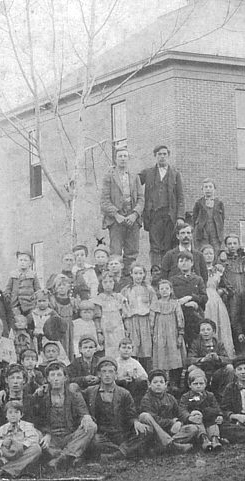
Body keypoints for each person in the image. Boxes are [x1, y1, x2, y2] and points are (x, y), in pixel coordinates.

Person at [32, 361, 97, 471]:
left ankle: (62, 457)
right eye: (52, 375)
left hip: (69, 436)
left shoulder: (73, 394)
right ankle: (70, 456)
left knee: (91, 426)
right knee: (34, 434)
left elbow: (83, 411)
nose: (56, 379)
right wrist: (47, 433)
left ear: (65, 378)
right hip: (50, 438)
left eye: (59, 375)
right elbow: (36, 419)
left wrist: (86, 416)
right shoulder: (42, 396)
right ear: (47, 378)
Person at [82, 357, 149, 459]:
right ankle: (124, 451)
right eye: (104, 372)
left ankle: (116, 454)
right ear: (99, 374)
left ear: (116, 374)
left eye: (110, 371)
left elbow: (131, 414)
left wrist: (136, 422)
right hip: (101, 435)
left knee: (146, 431)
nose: (107, 375)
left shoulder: (124, 393)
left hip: (121, 433)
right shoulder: (90, 392)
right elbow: (78, 402)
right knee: (94, 441)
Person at [101, 146, 145, 274]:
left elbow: (141, 198)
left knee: (132, 253)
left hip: (132, 219)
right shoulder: (109, 177)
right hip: (116, 221)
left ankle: (130, 278)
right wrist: (116, 215)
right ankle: (116, 280)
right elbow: (104, 201)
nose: (123, 159)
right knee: (115, 252)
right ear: (115, 159)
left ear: (128, 158)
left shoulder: (134, 177)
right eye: (120, 156)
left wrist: (135, 214)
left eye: (125, 156)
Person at [139, 144, 186, 267]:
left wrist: (180, 217)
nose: (162, 157)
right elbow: (133, 182)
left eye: (164, 154)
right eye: (159, 154)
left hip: (170, 216)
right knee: (155, 247)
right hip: (154, 216)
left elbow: (181, 197)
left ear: (168, 156)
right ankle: (156, 274)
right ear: (155, 156)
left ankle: (168, 274)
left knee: (169, 246)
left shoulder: (175, 174)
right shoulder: (148, 173)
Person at [134, 370, 196, 455]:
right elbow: (155, 419)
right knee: (144, 416)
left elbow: (178, 413)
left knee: (193, 428)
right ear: (149, 384)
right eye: (155, 382)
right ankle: (171, 445)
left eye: (161, 382)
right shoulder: (146, 400)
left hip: (170, 431)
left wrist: (178, 422)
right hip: (155, 432)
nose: (158, 384)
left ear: (166, 385)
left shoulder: (170, 398)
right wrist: (172, 422)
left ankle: (163, 446)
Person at [0, 400, 42, 479]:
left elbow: (34, 438)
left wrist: (21, 445)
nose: (13, 415)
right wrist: (2, 442)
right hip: (7, 453)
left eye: (16, 412)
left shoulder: (27, 426)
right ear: (6, 416)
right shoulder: (4, 428)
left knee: (36, 449)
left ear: (21, 415)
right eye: (10, 413)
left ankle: (6, 470)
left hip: (21, 453)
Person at [149, 279, 185, 387]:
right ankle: (162, 381)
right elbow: (151, 321)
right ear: (158, 291)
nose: (164, 291)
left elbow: (180, 319)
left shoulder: (175, 304)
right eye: (162, 289)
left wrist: (180, 335)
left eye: (167, 288)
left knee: (174, 357)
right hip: (159, 334)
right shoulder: (155, 304)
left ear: (171, 290)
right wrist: (152, 335)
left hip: (172, 334)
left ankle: (174, 383)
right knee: (161, 357)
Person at [201, 247, 236, 358]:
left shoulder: (219, 270)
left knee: (220, 325)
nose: (208, 256)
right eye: (206, 253)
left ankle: (223, 354)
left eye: (211, 253)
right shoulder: (198, 270)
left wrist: (222, 290)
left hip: (216, 300)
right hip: (204, 299)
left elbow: (229, 287)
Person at [179, 369, 225, 451]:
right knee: (198, 421)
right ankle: (204, 440)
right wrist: (189, 417)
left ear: (205, 384)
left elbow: (216, 407)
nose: (198, 386)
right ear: (190, 385)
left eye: (201, 383)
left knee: (213, 424)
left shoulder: (210, 395)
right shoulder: (186, 397)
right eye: (195, 384)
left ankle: (215, 439)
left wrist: (219, 415)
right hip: (195, 421)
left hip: (208, 419)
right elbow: (182, 410)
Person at [121, 264, 156, 370]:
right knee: (134, 346)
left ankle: (146, 373)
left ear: (144, 274)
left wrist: (152, 322)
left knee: (146, 348)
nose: (138, 276)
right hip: (132, 320)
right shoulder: (126, 290)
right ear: (131, 274)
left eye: (140, 273)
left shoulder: (149, 289)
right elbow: (124, 307)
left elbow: (154, 306)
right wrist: (126, 322)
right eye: (135, 273)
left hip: (145, 320)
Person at [169, 252, 208, 347]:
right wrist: (182, 303)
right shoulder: (173, 280)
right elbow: (170, 298)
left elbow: (204, 297)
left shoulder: (198, 279)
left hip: (195, 316)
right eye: (181, 261)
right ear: (178, 264)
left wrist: (192, 298)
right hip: (179, 316)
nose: (184, 263)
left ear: (192, 263)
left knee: (194, 343)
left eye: (187, 261)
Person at [187, 319, 231, 389]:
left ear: (213, 331)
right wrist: (203, 359)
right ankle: (199, 391)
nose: (205, 332)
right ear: (199, 332)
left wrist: (218, 358)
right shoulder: (196, 343)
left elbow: (227, 359)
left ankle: (223, 392)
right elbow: (190, 359)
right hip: (202, 371)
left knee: (229, 368)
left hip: (216, 372)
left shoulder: (218, 343)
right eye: (203, 330)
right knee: (192, 368)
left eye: (208, 329)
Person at [92, 275, 126, 359]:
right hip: (105, 330)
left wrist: (126, 328)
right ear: (101, 284)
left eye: (111, 282)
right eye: (105, 282)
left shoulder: (118, 297)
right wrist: (99, 332)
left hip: (118, 329)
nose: (108, 284)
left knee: (119, 348)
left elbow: (124, 315)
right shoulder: (99, 299)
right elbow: (97, 318)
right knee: (108, 352)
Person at [192, 178, 226, 253]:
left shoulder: (219, 203)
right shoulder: (198, 203)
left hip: (215, 231)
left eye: (210, 187)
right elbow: (194, 218)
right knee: (202, 250)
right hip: (202, 231)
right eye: (206, 187)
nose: (208, 189)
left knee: (216, 249)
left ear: (214, 189)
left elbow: (222, 219)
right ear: (202, 189)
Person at [7, 251, 41, 317]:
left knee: (30, 320)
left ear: (30, 263)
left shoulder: (33, 275)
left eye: (25, 260)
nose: (22, 262)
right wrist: (8, 296)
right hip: (15, 304)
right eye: (20, 260)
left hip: (29, 305)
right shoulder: (13, 275)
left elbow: (38, 290)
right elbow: (8, 288)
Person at [115, 338, 148, 403]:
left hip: (132, 389)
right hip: (119, 386)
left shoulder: (135, 363)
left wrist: (136, 376)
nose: (126, 350)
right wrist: (121, 379)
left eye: (129, 348)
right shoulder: (115, 362)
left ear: (132, 350)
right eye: (124, 348)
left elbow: (144, 377)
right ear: (119, 349)